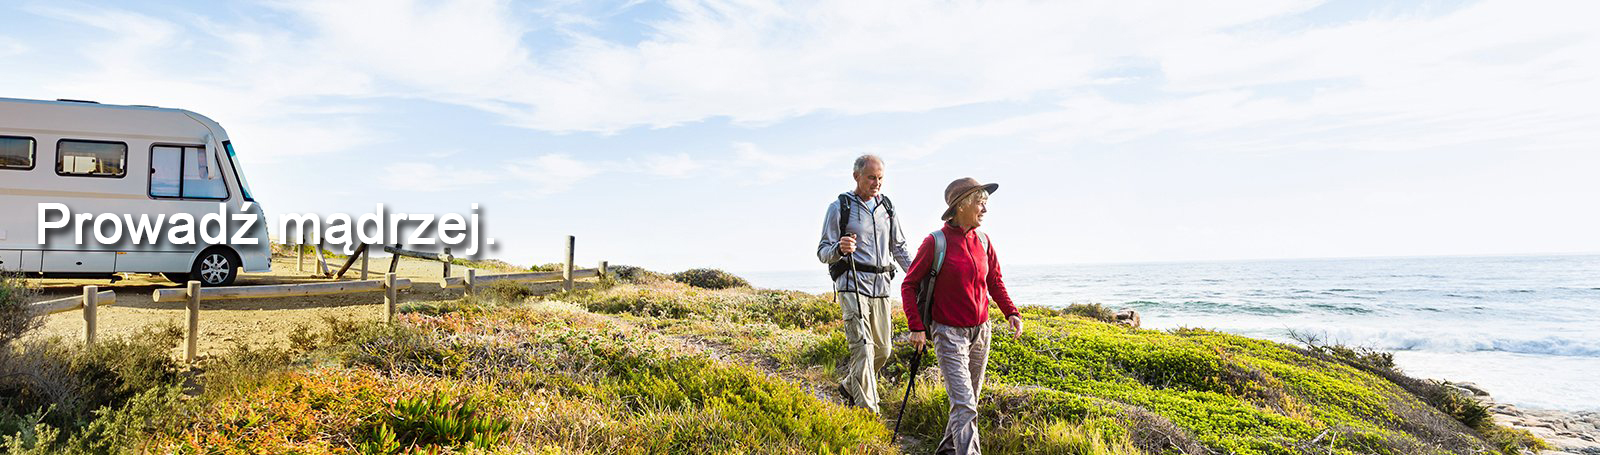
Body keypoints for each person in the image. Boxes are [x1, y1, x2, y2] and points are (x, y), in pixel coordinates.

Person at [900, 177, 1022, 455]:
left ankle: (946, 451)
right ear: (962, 206)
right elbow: (909, 284)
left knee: (967, 402)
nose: (985, 209)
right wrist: (916, 327)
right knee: (965, 403)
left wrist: (1011, 312)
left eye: (985, 203)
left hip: (981, 331)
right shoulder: (935, 242)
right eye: (980, 203)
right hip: (948, 333)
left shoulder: (983, 240)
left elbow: (995, 281)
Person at [817, 154, 912, 414]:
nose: (877, 182)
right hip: (852, 285)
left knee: (883, 350)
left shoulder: (888, 208)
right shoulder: (839, 207)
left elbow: (899, 248)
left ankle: (849, 385)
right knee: (863, 349)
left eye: (880, 178)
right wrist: (839, 248)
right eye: (871, 177)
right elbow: (823, 251)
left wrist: (917, 276)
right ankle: (870, 411)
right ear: (856, 176)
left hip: (881, 287)